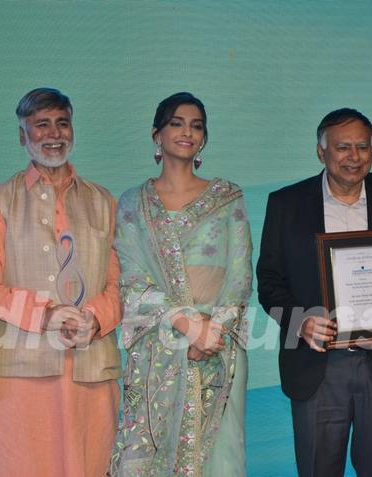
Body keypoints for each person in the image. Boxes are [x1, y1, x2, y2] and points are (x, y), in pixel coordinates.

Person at [256, 108, 372, 477]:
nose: (353, 157)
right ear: (321, 151)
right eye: (343, 147)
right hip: (317, 366)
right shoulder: (286, 204)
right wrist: (300, 322)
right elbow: (269, 282)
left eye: (363, 147)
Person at [0, 87, 122, 477]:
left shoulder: (104, 203)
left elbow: (120, 285)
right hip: (17, 371)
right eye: (41, 125)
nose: (54, 134)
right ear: (23, 136)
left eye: (62, 123)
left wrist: (96, 318)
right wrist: (46, 316)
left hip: (90, 368)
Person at [111, 92, 253, 476]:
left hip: (219, 347)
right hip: (159, 347)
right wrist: (187, 325)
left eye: (197, 125)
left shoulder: (226, 197)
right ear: (157, 135)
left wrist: (212, 332)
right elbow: (132, 281)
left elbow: (240, 275)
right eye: (177, 123)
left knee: (220, 456)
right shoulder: (132, 204)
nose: (187, 132)